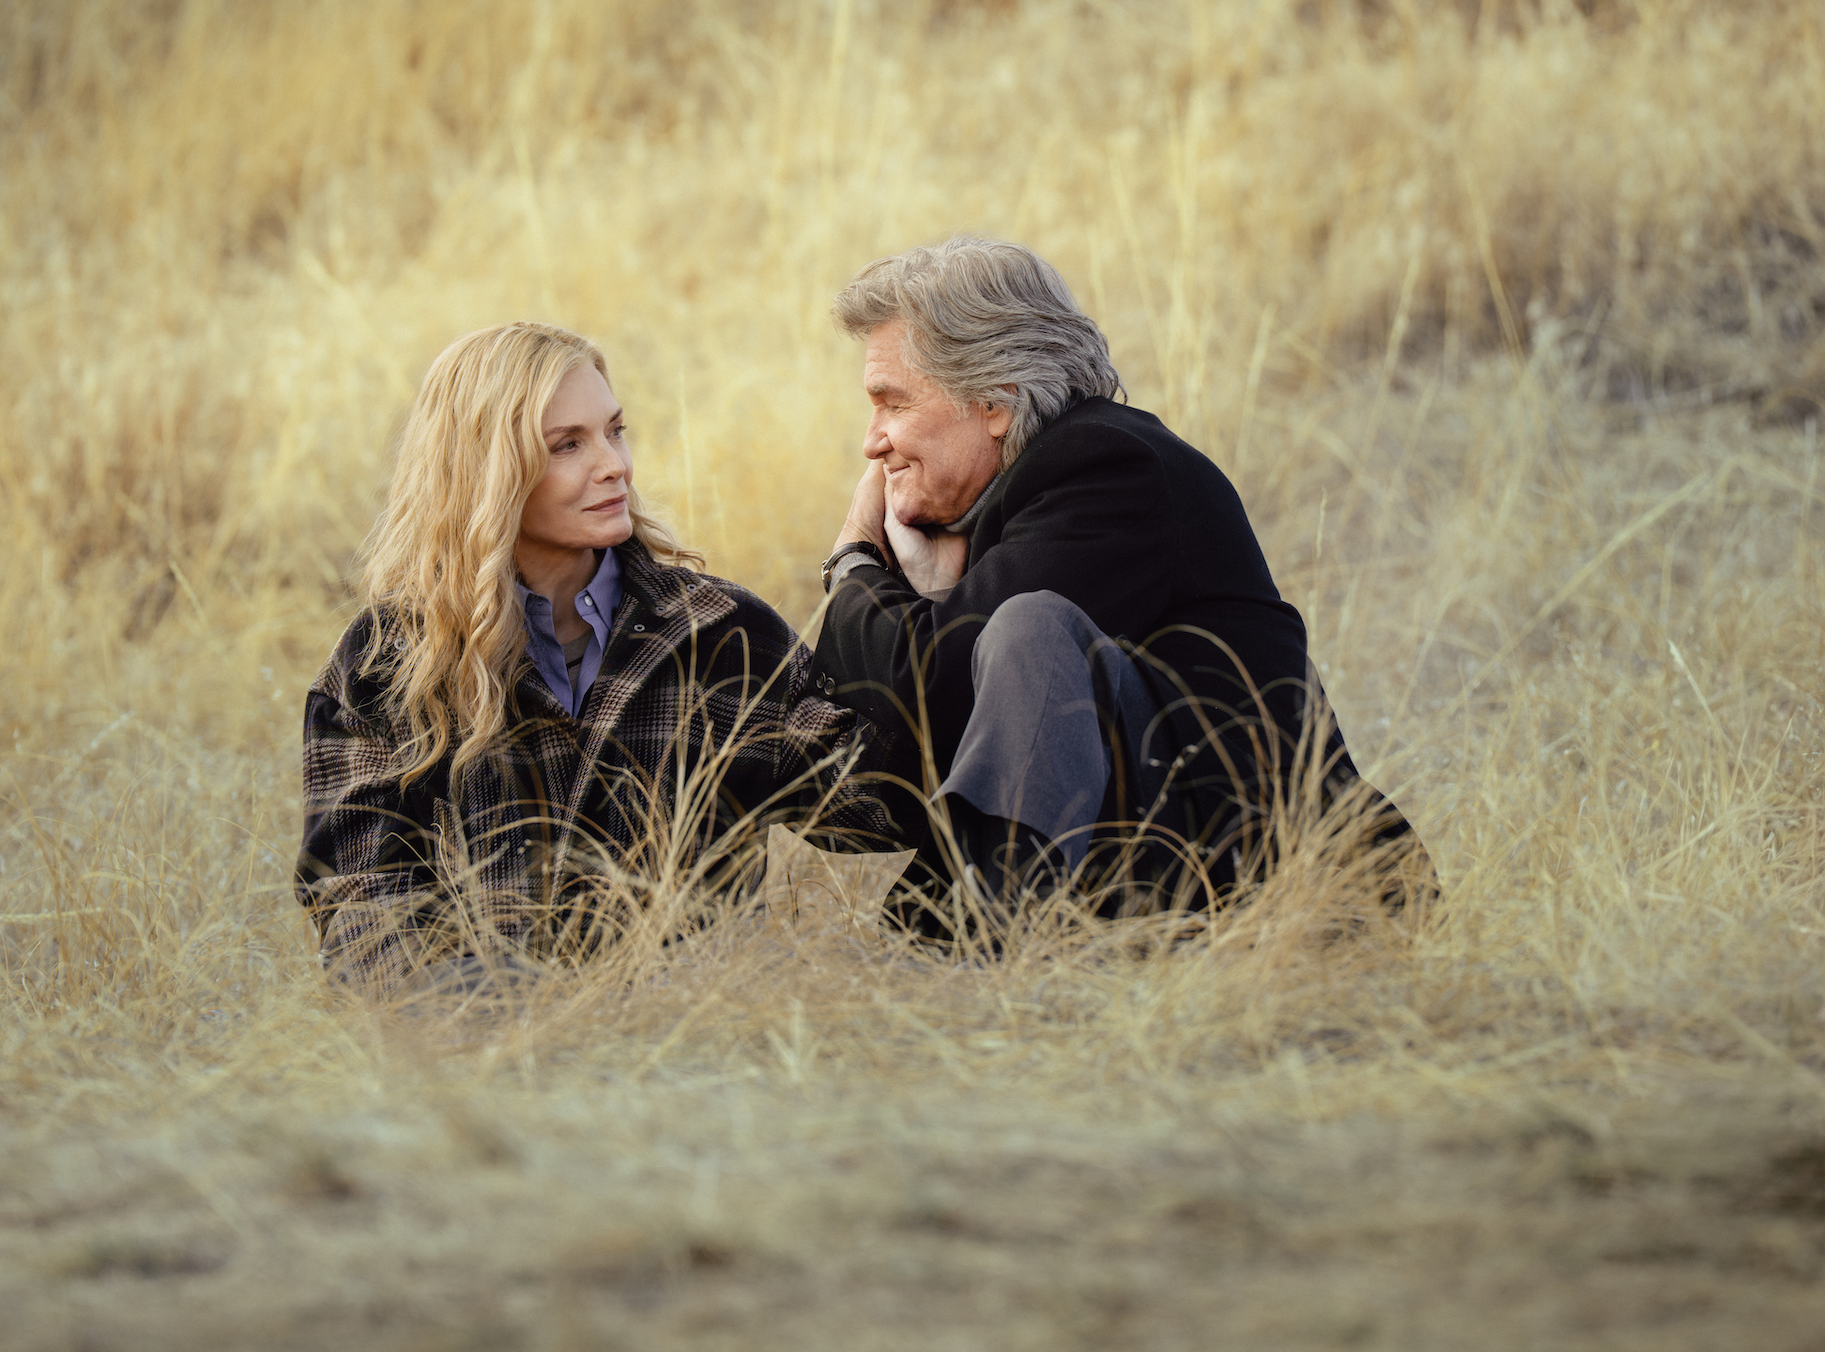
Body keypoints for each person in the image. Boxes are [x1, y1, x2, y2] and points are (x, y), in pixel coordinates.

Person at [810, 237, 1430, 914]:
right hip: (1169, 869)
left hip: (1280, 886)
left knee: (1030, 628)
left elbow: (931, 683)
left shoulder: (1105, 466)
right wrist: (935, 594)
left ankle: (997, 939)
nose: (871, 441)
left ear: (995, 401)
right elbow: (919, 735)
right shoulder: (1013, 502)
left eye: (893, 404)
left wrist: (854, 559)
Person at [298, 322, 885, 994]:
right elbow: (361, 921)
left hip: (697, 1036)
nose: (614, 465)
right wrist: (531, 1009)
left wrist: (879, 583)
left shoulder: (723, 633)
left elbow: (876, 808)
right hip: (488, 1040)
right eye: (568, 445)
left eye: (615, 431)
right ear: (486, 470)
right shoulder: (385, 663)